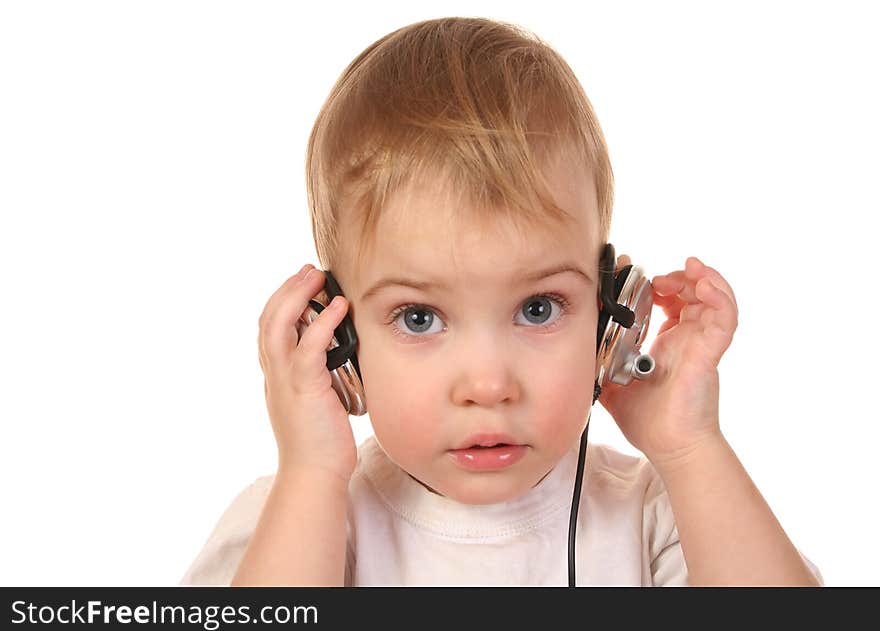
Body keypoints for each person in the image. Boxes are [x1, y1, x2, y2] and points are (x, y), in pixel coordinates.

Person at [179, 16, 822, 586]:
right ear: (336, 341)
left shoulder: (659, 516)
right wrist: (311, 472)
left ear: (610, 318)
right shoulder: (300, 521)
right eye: (420, 318)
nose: (489, 385)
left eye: (538, 308)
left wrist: (689, 447)